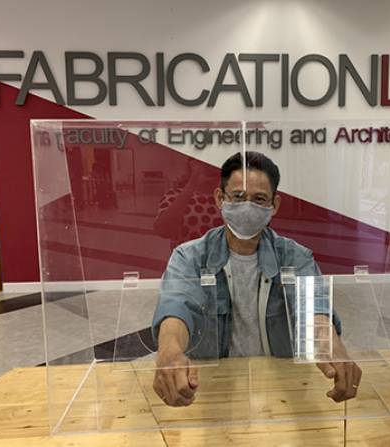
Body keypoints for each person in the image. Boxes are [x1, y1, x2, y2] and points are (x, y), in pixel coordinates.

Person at [151, 151, 362, 407]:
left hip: (281, 387)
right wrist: (169, 351)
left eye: (259, 199)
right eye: (238, 197)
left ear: (275, 204)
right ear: (220, 198)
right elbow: (177, 307)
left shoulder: (295, 257)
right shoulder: (190, 257)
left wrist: (330, 343)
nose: (247, 207)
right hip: (211, 387)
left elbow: (313, 309)